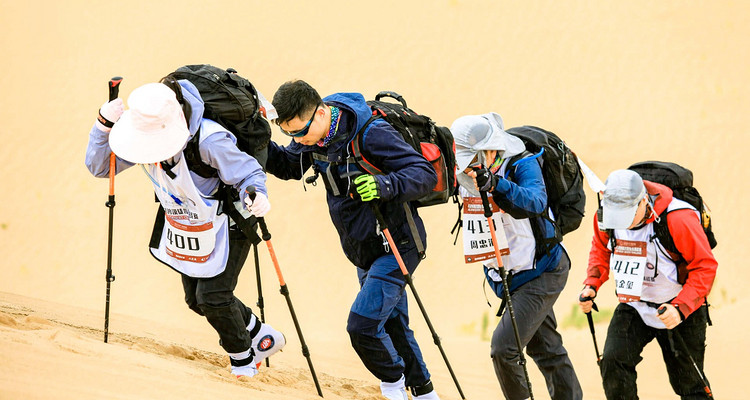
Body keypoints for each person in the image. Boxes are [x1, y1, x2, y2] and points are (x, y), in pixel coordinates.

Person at [85, 80, 285, 378]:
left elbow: (248, 172)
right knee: (195, 300)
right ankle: (260, 334)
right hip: (191, 222)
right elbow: (102, 167)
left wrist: (257, 194)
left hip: (232, 218)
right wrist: (103, 126)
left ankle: (244, 360)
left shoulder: (209, 139)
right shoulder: (142, 136)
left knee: (214, 296)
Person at [264, 80, 440, 400]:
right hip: (364, 248)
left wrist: (383, 185)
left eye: (300, 132)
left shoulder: (370, 133)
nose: (297, 140)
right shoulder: (313, 139)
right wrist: (253, 140)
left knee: (363, 327)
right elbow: (288, 166)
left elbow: (423, 174)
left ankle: (393, 386)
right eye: (289, 134)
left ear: (320, 113)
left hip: (397, 243)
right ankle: (425, 393)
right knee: (393, 326)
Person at [452, 113, 582, 400]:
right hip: (508, 275)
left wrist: (496, 185)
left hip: (542, 270)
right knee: (546, 348)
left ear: (489, 150)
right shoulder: (467, 171)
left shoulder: (522, 162)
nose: (467, 166)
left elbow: (536, 201)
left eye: (472, 158)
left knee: (504, 348)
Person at [578, 169, 717, 399]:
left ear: (643, 201)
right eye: (617, 216)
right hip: (634, 304)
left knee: (690, 385)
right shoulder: (605, 216)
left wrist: (680, 308)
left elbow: (705, 266)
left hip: (679, 308)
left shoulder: (678, 218)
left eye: (627, 215)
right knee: (613, 364)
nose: (623, 223)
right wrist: (592, 284)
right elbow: (601, 248)